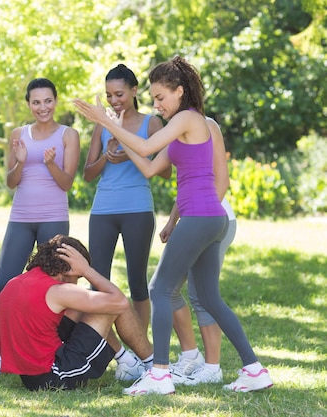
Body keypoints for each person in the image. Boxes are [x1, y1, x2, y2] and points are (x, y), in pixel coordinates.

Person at [73, 56, 273, 395]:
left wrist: (106, 122)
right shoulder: (186, 128)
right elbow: (150, 165)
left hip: (201, 216)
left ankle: (160, 374)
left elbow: (149, 144)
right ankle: (254, 369)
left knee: (160, 288)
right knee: (209, 296)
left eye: (161, 97)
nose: (156, 104)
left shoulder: (186, 118)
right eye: (153, 99)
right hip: (211, 218)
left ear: (180, 91)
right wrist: (118, 140)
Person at [0, 78, 80, 375]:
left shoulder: (69, 135)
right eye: (36, 102)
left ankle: (52, 352)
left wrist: (51, 164)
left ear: (56, 101)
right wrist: (21, 162)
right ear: (29, 104)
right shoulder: (19, 134)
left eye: (48, 101)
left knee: (55, 285)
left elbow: (67, 183)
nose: (43, 107)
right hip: (21, 218)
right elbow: (10, 182)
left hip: (53, 216)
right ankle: (4, 356)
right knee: (6, 285)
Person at [82, 64, 167, 381]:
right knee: (96, 282)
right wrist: (107, 155)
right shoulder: (102, 125)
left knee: (137, 282)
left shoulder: (152, 122)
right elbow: (88, 173)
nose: (114, 100)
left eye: (119, 94)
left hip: (137, 209)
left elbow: (165, 169)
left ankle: (143, 354)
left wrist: (130, 150)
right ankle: (105, 349)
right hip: (103, 209)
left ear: (134, 91)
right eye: (109, 95)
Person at [0, 234, 154, 390]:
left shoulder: (15, 282)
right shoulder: (57, 291)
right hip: (54, 376)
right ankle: (154, 367)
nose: (77, 282)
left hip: (30, 376)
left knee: (88, 302)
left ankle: (128, 363)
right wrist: (86, 270)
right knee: (109, 305)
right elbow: (120, 302)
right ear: (67, 270)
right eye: (77, 277)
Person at [165, 117, 236, 386]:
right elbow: (186, 185)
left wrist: (201, 221)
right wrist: (174, 221)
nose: (159, 105)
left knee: (200, 295)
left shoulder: (205, 125)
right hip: (195, 218)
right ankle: (191, 356)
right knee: (169, 289)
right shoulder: (180, 129)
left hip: (213, 218)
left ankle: (212, 365)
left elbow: (219, 181)